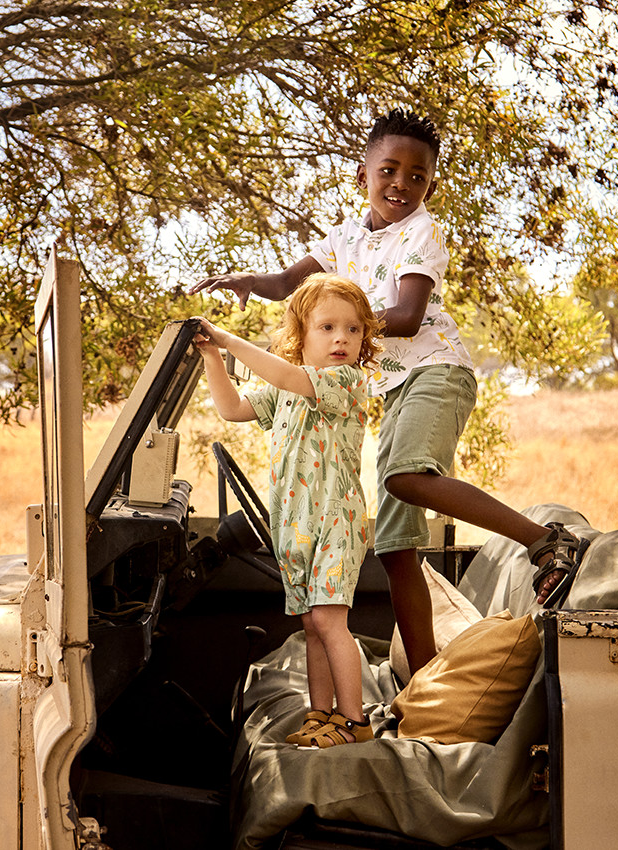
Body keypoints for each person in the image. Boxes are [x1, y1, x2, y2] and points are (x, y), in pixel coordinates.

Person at [190, 107, 587, 675]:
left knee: (405, 475)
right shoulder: (345, 237)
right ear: (363, 174)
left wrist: (345, 324)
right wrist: (250, 280)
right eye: (389, 170)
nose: (401, 183)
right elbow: (288, 283)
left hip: (437, 371)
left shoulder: (421, 231)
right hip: (396, 388)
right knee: (395, 546)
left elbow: (407, 315)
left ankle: (545, 541)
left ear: (430, 186)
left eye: (417, 175)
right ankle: (423, 683)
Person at [194, 273, 381, 748]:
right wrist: (212, 356)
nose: (341, 339)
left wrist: (227, 339)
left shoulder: (345, 381)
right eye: (327, 328)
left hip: (336, 521)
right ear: (301, 334)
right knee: (312, 625)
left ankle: (355, 722)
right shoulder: (285, 390)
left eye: (353, 329)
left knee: (330, 622)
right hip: (295, 525)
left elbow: (285, 375)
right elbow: (231, 408)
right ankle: (320, 715)